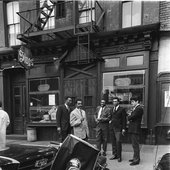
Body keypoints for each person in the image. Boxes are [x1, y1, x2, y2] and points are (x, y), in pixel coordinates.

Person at [109, 97, 126, 162]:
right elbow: (110, 117)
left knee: (118, 142)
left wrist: (124, 128)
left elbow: (124, 120)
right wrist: (110, 121)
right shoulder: (111, 109)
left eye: (116, 101)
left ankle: (119, 156)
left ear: (118, 102)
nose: (114, 102)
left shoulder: (122, 109)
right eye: (113, 101)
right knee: (113, 142)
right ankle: (114, 155)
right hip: (112, 128)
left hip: (118, 128)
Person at [128, 95, 143, 166]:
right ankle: (135, 158)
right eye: (131, 102)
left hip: (135, 129)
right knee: (134, 145)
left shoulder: (139, 108)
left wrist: (129, 115)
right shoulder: (135, 108)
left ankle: (136, 160)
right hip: (133, 128)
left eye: (133, 101)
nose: (132, 103)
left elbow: (132, 117)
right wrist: (130, 115)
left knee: (135, 145)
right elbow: (132, 116)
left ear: (137, 101)